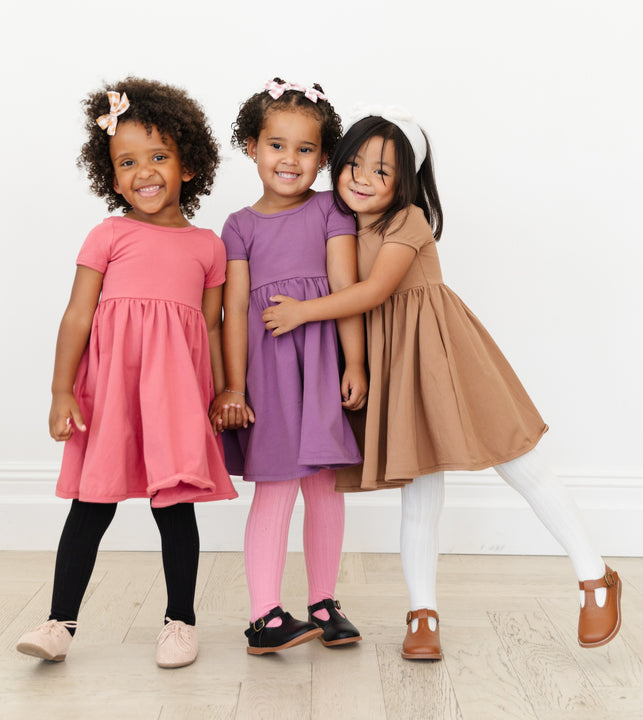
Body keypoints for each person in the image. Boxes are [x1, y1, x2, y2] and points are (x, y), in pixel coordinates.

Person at [261, 107, 622, 660]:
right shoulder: (335, 219)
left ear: (406, 181)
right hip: (393, 363)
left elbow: (375, 291)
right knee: (420, 490)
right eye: (353, 163)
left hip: (443, 354)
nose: (362, 178)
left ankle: (594, 576)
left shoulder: (408, 220)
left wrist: (304, 312)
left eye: (381, 172)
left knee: (517, 460)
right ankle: (422, 612)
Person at [15, 77, 237, 669]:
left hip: (174, 398)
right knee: (91, 505)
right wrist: (62, 388)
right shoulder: (108, 235)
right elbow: (77, 315)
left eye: (159, 156)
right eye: (128, 162)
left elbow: (212, 328)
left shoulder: (208, 247)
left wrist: (222, 392)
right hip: (111, 396)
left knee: (175, 508)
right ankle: (60, 622)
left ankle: (180, 621)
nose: (144, 172)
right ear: (111, 176)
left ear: (189, 164)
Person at [210, 79, 367, 655]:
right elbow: (233, 312)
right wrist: (232, 384)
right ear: (251, 146)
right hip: (268, 373)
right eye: (277, 145)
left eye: (305, 150)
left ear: (324, 158)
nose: (290, 160)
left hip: (321, 363)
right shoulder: (239, 226)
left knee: (325, 486)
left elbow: (346, 285)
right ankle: (263, 616)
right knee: (275, 489)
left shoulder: (330, 208)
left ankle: (324, 601)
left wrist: (356, 362)